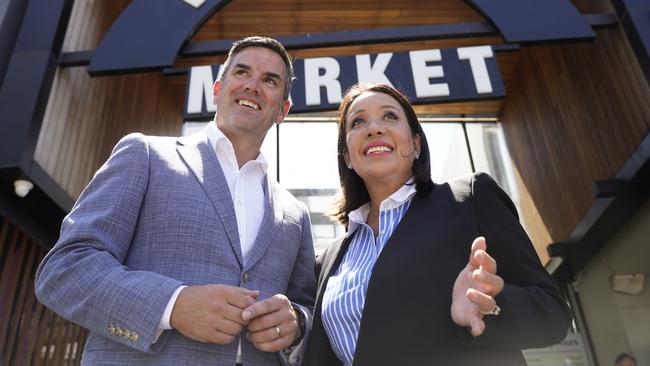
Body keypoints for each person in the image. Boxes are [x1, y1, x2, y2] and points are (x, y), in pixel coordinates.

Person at [35, 36, 315, 365]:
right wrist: (172, 304)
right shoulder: (146, 155)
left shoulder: (295, 214)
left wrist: (297, 323)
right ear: (217, 90)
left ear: (283, 109)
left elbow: (305, 308)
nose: (253, 85)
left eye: (270, 80)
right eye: (241, 72)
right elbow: (66, 269)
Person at [303, 83, 573, 366]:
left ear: (416, 143)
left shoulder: (470, 199)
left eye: (390, 116)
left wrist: (488, 308)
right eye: (358, 121)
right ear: (347, 156)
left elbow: (552, 313)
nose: (374, 128)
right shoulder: (330, 259)